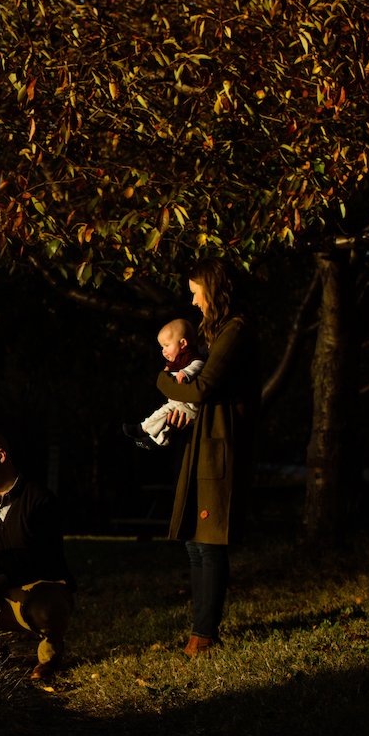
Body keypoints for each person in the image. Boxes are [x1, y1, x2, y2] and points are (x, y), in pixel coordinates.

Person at [161, 258, 261, 657]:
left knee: (210, 541)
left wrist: (163, 380)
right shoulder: (220, 332)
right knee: (193, 541)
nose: (193, 301)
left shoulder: (236, 331)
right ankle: (199, 630)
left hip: (221, 446)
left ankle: (204, 634)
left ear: (212, 289)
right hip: (204, 443)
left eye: (195, 292)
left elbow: (202, 388)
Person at [0, 432, 77, 681]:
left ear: (1, 456)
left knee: (49, 608)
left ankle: (49, 657)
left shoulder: (40, 500)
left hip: (38, 590)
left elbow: (47, 559)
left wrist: (2, 578)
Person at [123, 318, 206, 451]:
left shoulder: (190, 357)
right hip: (180, 403)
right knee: (165, 417)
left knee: (162, 414)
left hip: (189, 406)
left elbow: (198, 364)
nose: (163, 351)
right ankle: (158, 440)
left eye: (166, 345)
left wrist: (185, 373)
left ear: (183, 343)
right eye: (162, 347)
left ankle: (142, 429)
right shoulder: (177, 361)